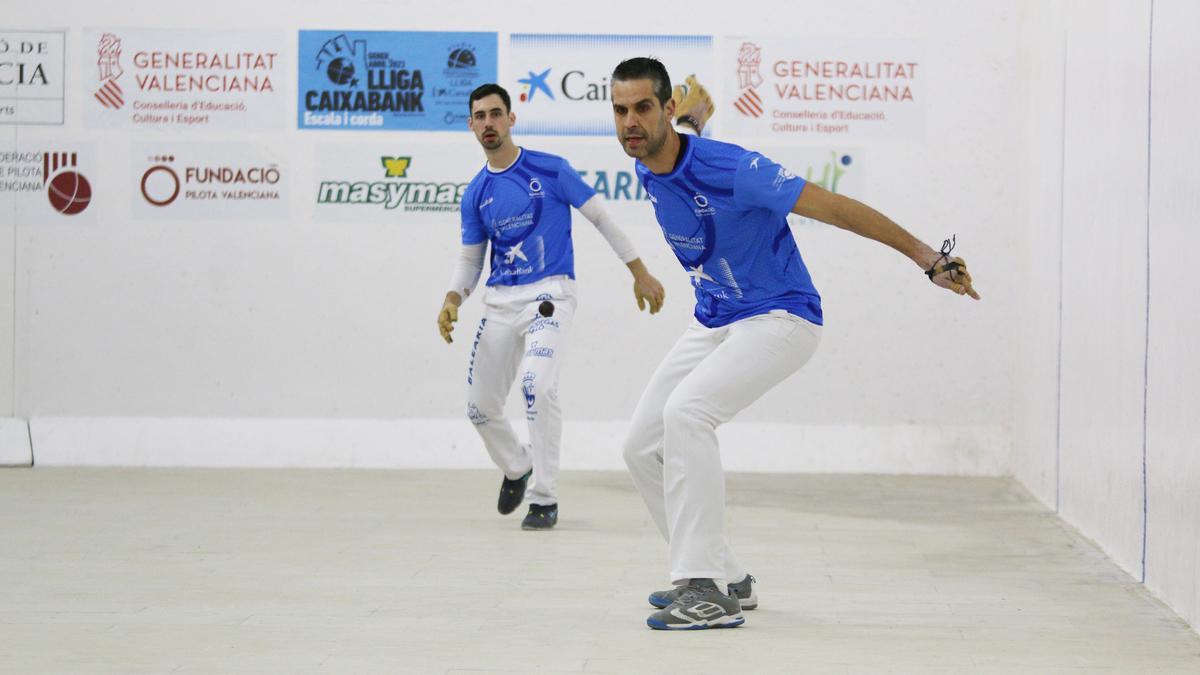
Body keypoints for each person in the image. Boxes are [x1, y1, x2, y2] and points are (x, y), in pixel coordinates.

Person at [609, 59, 980, 629]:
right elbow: (688, 124)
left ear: (663, 112)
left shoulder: (735, 169)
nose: (630, 123)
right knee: (640, 444)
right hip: (715, 317)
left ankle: (703, 587)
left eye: (642, 109)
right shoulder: (648, 154)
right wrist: (697, 109)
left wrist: (927, 258)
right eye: (620, 111)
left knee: (688, 413)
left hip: (781, 316)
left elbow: (835, 208)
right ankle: (725, 574)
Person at [438, 83, 665, 531]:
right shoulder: (475, 193)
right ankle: (517, 466)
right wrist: (452, 298)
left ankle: (544, 496)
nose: (488, 123)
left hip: (550, 296)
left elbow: (601, 217)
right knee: (480, 409)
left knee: (537, 386)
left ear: (511, 119)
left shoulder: (551, 169)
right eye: (480, 116)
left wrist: (639, 271)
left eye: (496, 114)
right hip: (500, 303)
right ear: (470, 124)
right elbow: (470, 262)